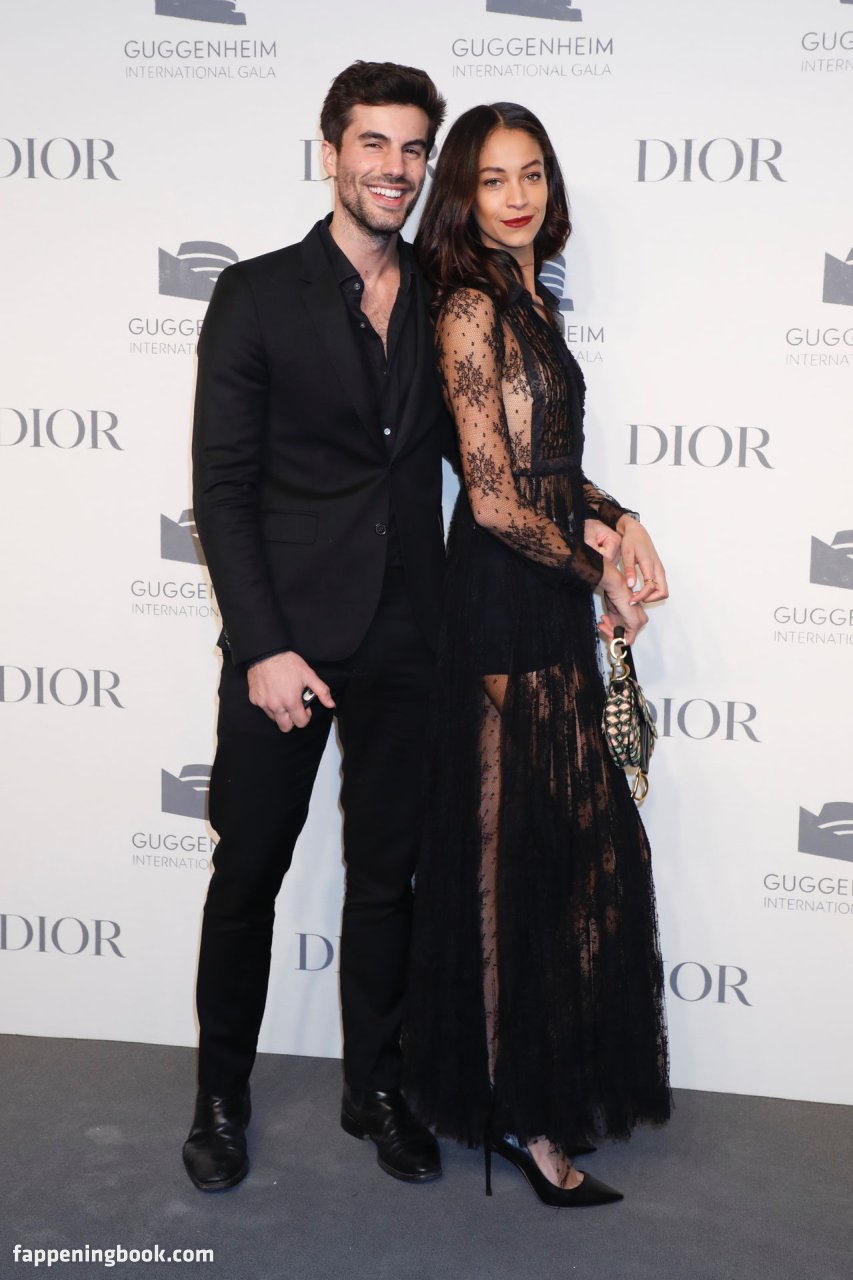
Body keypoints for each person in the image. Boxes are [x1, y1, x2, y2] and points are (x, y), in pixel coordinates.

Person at [183, 61, 452, 1192]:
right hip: (286, 636)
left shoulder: (444, 294)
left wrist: (603, 519)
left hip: (409, 635)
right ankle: (220, 1098)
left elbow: (495, 454)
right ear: (331, 150)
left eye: (412, 148)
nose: (394, 168)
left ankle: (373, 1089)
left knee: (389, 879)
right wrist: (262, 645)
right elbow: (221, 486)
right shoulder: (255, 294)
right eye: (373, 144)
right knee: (248, 871)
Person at [403, 103, 672, 1207]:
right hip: (502, 602)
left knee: (569, 855)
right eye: (492, 178)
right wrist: (595, 572)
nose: (516, 197)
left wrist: (621, 516)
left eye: (532, 175)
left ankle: (533, 1088)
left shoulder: (530, 297)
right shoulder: (469, 307)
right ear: (461, 195)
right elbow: (495, 496)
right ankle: (516, 1111)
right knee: (507, 860)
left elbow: (552, 469)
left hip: (547, 591)